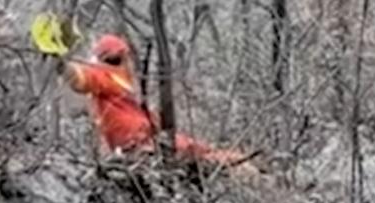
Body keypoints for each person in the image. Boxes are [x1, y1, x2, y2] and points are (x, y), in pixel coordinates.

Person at [60, 34, 256, 169]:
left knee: (201, 149)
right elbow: (80, 78)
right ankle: (241, 166)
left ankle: (241, 162)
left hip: (148, 140)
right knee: (206, 156)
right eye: (120, 58)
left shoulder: (121, 82)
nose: (127, 62)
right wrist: (60, 63)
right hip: (139, 146)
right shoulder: (105, 77)